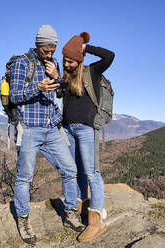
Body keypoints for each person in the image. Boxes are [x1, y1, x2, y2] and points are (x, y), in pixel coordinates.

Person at [9, 25, 85, 244]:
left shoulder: (53, 63)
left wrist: (58, 77)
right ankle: (23, 219)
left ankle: (71, 213)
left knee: (70, 170)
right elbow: (14, 96)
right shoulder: (21, 63)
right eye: (46, 50)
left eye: (53, 50)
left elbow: (60, 93)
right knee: (25, 177)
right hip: (30, 128)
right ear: (38, 45)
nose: (50, 54)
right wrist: (38, 88)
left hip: (51, 127)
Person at [61, 32, 115, 242]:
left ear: (79, 60)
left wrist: (86, 48)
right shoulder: (66, 77)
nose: (66, 64)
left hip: (85, 129)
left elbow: (109, 56)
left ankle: (96, 222)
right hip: (68, 130)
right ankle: (83, 207)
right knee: (76, 171)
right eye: (65, 60)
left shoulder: (92, 72)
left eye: (70, 60)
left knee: (92, 173)